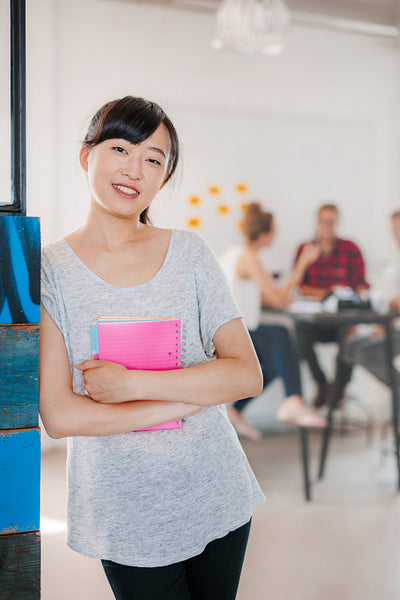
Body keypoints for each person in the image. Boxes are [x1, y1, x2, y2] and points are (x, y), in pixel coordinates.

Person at [39, 96, 266, 600]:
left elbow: (246, 375)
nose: (134, 169)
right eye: (120, 148)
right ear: (86, 156)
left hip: (215, 489)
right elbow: (60, 416)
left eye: (153, 159)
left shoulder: (190, 253)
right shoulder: (50, 270)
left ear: (164, 177)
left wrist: (131, 385)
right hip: (123, 508)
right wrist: (187, 399)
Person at [219, 202, 327, 441]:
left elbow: (270, 298)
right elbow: (278, 300)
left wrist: (280, 295)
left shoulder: (236, 253)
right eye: (275, 230)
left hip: (232, 328)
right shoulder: (249, 258)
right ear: (266, 233)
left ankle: (235, 410)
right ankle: (293, 401)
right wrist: (302, 265)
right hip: (234, 332)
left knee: (276, 364)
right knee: (282, 335)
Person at [294, 203, 369, 408]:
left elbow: (361, 286)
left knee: (350, 337)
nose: (327, 226)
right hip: (316, 320)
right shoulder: (306, 250)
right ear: (316, 223)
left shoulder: (350, 249)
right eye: (323, 221)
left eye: (331, 222)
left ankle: (338, 390)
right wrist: (328, 293)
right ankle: (322, 385)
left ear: (337, 224)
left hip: (342, 320)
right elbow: (299, 286)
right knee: (299, 333)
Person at [343, 210, 400, 387]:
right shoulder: (394, 261)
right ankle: (335, 399)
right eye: (394, 229)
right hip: (388, 324)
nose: (396, 234)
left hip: (396, 329)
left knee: (365, 352)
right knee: (347, 346)